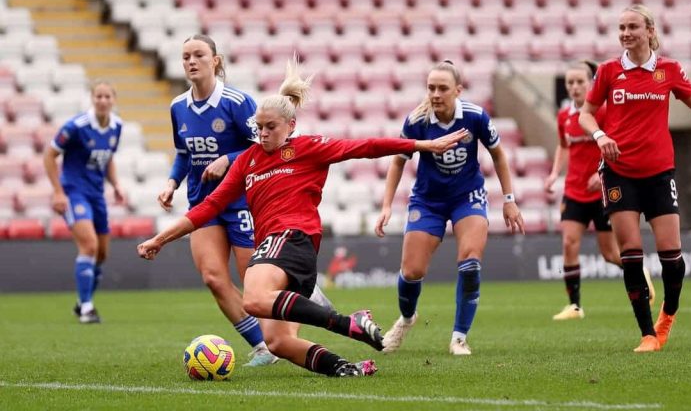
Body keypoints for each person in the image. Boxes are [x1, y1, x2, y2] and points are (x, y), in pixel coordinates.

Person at [138, 55, 468, 377]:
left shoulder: (307, 149)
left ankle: (347, 322)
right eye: (259, 127)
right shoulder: (248, 160)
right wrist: (160, 238)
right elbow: (208, 207)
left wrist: (423, 146)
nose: (263, 133)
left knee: (252, 298)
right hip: (276, 245)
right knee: (278, 341)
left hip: (293, 236)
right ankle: (343, 368)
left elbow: (364, 146)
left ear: (290, 126)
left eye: (271, 127)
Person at [579, 5, 691, 352]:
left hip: (658, 173)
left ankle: (667, 315)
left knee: (671, 256)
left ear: (649, 31)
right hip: (619, 173)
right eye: (621, 27)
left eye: (632, 27)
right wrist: (600, 137)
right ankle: (646, 334)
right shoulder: (610, 71)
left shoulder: (669, 70)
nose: (625, 33)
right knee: (631, 253)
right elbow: (586, 115)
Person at [158, 34, 303, 367]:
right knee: (212, 277)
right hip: (203, 204)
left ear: (215, 60)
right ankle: (263, 347)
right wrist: (171, 183)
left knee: (254, 284)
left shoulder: (237, 102)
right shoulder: (178, 106)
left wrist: (229, 159)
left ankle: (296, 315)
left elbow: (265, 148)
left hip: (242, 201)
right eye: (185, 57)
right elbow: (183, 153)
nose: (191, 61)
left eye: (198, 55)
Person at [374, 60, 526, 356]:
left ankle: (459, 337)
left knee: (470, 263)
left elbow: (499, 155)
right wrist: (386, 205)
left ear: (458, 90)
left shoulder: (475, 117)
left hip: (466, 196)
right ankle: (406, 319)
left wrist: (509, 201)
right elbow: (397, 160)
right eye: (431, 87)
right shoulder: (417, 121)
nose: (436, 94)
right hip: (427, 200)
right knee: (412, 271)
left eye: (443, 88)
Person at [545, 61, 655, 321]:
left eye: (579, 82)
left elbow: (619, 143)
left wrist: (600, 171)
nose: (574, 87)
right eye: (569, 83)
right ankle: (575, 306)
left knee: (609, 254)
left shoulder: (603, 112)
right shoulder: (564, 116)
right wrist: (553, 173)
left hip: (603, 189)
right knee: (569, 242)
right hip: (574, 189)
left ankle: (640, 273)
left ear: (591, 83)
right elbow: (563, 146)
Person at [43, 80, 124, 324]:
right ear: (92, 98)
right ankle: (87, 308)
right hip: (73, 192)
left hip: (96, 194)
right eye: (98, 96)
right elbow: (49, 155)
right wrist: (58, 192)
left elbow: (108, 159)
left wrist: (116, 184)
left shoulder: (116, 126)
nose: (102, 100)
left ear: (113, 100)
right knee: (89, 245)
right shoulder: (76, 126)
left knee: (101, 254)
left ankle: (82, 303)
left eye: (106, 96)